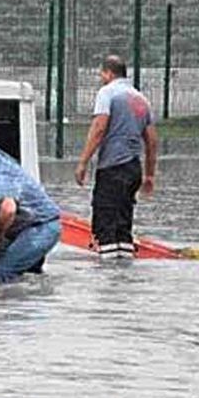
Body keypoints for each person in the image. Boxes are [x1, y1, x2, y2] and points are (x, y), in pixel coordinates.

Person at [74, 55, 159, 258]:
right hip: (133, 169)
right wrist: (149, 175)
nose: (101, 78)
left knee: (105, 223)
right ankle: (124, 277)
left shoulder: (107, 93)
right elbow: (152, 140)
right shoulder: (140, 98)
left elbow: (99, 128)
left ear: (109, 73)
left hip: (112, 168)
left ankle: (107, 283)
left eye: (101, 74)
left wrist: (83, 163)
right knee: (123, 224)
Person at [0, 133, 61, 282]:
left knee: (4, 271)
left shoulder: (0, 175)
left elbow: (8, 209)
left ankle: (16, 304)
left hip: (40, 227)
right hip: (25, 228)